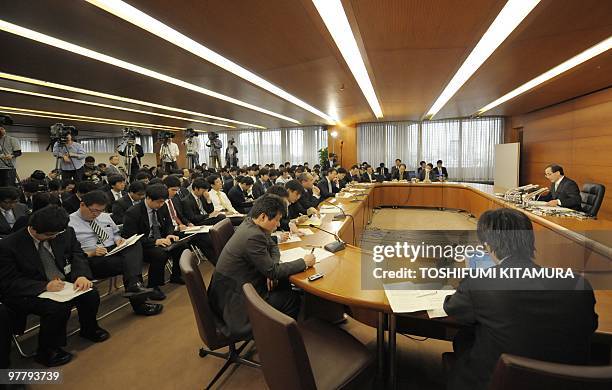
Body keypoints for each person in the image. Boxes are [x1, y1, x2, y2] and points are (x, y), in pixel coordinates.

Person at [443, 208, 597, 390]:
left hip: (497, 382)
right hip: (566, 382)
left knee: (464, 337)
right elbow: (590, 326)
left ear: (488, 246)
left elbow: (452, 309)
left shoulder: (480, 281)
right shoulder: (578, 283)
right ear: (531, 240)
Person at [0, 205, 109, 367]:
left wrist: (81, 275)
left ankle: (89, 328)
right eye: (49, 235)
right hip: (30, 289)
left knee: (90, 293)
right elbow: (8, 282)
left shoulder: (65, 232)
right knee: (57, 307)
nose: (54, 237)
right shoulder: (9, 245)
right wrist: (44, 286)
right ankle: (47, 350)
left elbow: (77, 255)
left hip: (63, 282)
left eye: (57, 234)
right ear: (33, 229)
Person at [208, 194, 316, 336]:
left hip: (238, 285)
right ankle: (285, 342)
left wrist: (271, 268)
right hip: (236, 301)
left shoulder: (251, 223)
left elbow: (272, 245)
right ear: (263, 216)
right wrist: (304, 262)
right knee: (291, 299)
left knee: (282, 282)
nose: (278, 224)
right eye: (276, 220)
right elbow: (273, 270)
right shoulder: (253, 235)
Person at [69, 191, 162, 316]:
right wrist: (91, 252)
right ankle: (138, 297)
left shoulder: (105, 217)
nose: (96, 214)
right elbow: (71, 253)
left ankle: (134, 285)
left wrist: (119, 240)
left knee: (135, 244)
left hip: (113, 249)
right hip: (91, 257)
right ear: (82, 205)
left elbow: (116, 233)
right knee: (130, 264)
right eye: (93, 211)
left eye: (100, 211)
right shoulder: (69, 223)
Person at [121, 184, 181, 295]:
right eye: (158, 202)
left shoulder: (162, 206)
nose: (161, 204)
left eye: (163, 202)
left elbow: (168, 224)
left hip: (161, 238)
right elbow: (130, 238)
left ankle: (176, 275)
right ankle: (154, 286)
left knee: (181, 245)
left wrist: (169, 234)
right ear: (148, 198)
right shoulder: (133, 212)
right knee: (159, 254)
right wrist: (155, 242)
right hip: (142, 246)